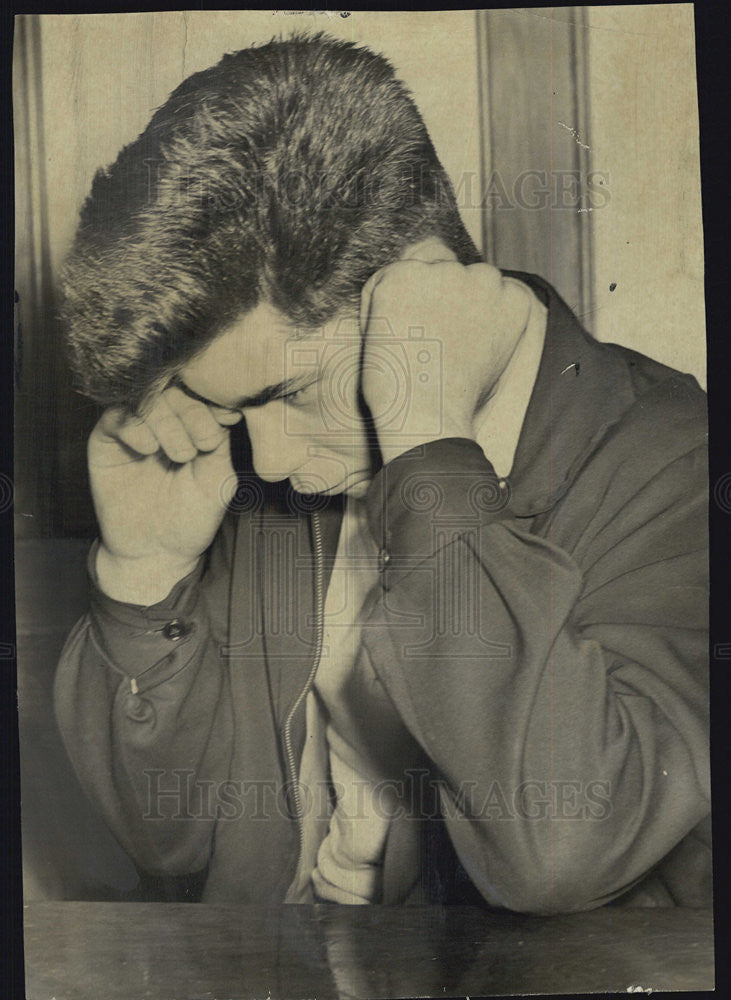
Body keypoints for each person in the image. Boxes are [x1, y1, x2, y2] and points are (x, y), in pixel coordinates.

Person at [55, 32, 710, 911]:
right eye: (237, 411)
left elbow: (563, 849)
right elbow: (174, 840)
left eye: (288, 391)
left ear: (419, 290)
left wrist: (429, 451)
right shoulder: (278, 480)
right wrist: (145, 576)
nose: (270, 459)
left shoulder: (679, 463)